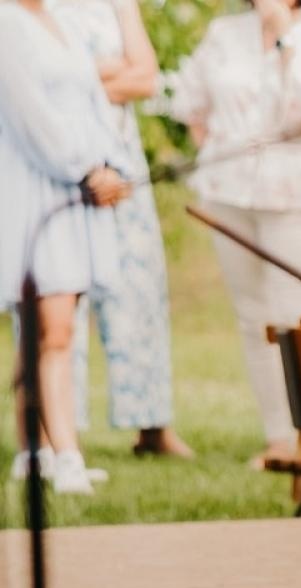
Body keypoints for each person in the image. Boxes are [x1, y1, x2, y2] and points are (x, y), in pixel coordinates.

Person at [168, 0, 301, 469]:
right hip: (229, 195)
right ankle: (278, 439)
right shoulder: (225, 33)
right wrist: (216, 150)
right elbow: (188, 101)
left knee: (297, 315)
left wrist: (282, 33)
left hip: (294, 195)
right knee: (253, 318)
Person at [0, 0, 132, 494]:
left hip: (77, 188)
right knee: (54, 329)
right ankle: (67, 455)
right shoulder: (5, 23)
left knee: (44, 327)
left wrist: (113, 165)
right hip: (35, 189)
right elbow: (29, 113)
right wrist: (83, 168)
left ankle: (32, 452)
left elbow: (95, 101)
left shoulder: (61, 20)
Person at [56, 0, 191, 460]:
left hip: (124, 164)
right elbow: (37, 84)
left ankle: (152, 424)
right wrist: (110, 75)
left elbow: (146, 77)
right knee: (57, 296)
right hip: (57, 163)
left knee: (140, 289)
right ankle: (58, 430)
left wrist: (80, 79)